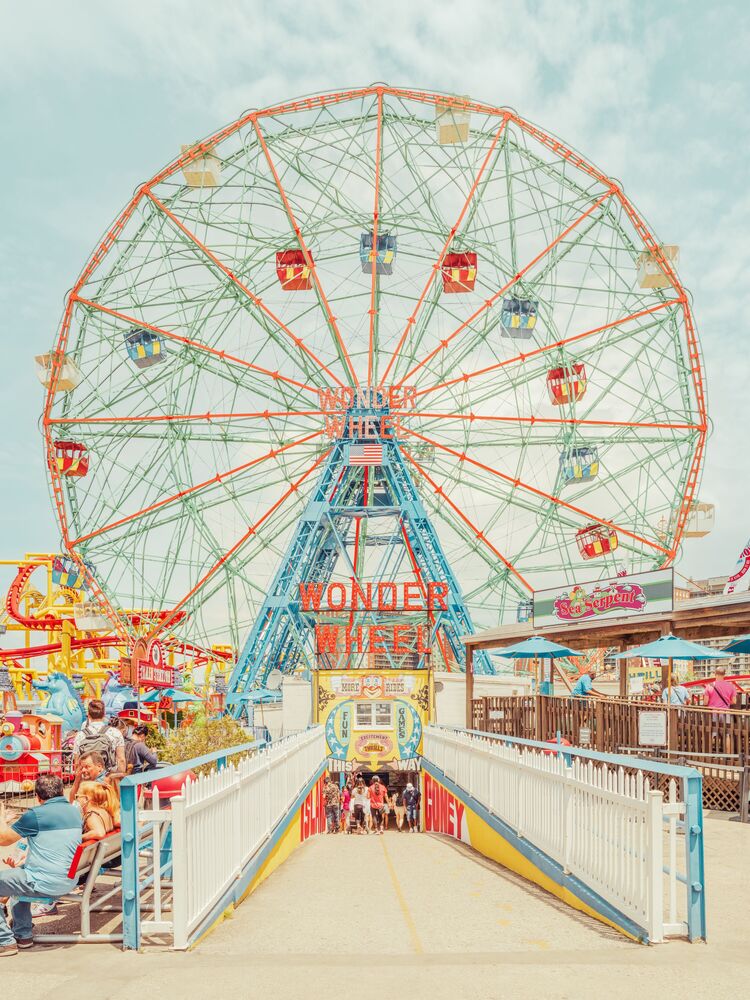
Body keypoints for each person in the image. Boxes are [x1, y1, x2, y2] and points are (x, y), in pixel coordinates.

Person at [0, 775, 83, 956]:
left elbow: (3, 839)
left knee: (14, 879)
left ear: (38, 797)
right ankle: (23, 935)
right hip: (69, 879)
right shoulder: (75, 812)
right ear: (61, 791)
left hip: (46, 883)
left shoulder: (35, 815)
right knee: (17, 876)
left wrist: (2, 815)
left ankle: (4, 941)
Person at [73, 698, 126, 775]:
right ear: (104, 714)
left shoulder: (80, 735)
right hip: (108, 778)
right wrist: (120, 779)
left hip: (88, 781)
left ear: (89, 715)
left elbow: (77, 763)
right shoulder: (115, 733)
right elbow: (121, 760)